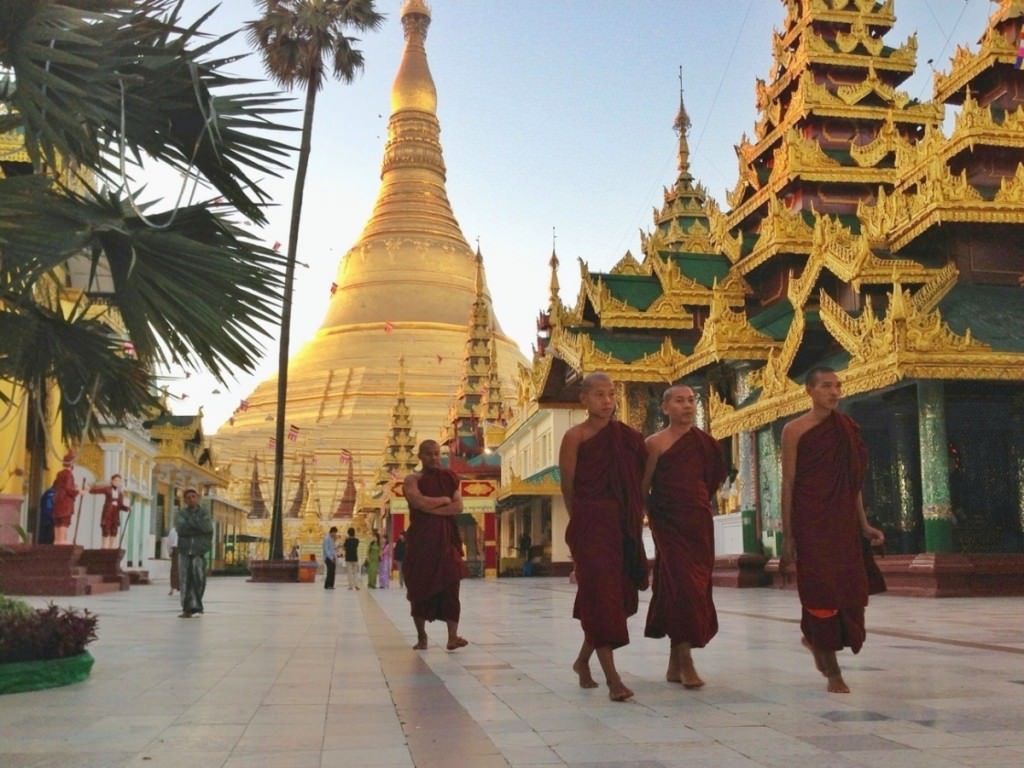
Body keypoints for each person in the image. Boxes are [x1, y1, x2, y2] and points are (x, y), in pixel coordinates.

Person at [781, 366, 886, 693]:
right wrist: (788, 536)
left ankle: (817, 640)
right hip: (811, 524)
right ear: (810, 391)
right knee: (820, 592)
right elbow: (789, 483)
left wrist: (864, 524)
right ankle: (832, 672)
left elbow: (852, 484)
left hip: (843, 525)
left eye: (838, 386)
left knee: (851, 593)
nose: (834, 392)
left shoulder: (847, 429)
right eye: (826, 386)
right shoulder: (794, 430)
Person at [558, 371, 647, 702]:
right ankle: (613, 679)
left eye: (611, 394)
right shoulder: (575, 436)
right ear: (583, 399)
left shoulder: (627, 437)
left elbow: (639, 480)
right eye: (599, 394)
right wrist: (579, 521)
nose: (607, 401)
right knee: (602, 595)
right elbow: (568, 486)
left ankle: (583, 661)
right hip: (590, 524)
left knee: (613, 600)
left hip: (622, 526)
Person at [642, 385, 727, 690]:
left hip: (698, 524)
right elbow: (643, 487)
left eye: (691, 401)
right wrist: (652, 520)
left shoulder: (706, 444)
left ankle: (674, 661)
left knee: (689, 587)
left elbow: (712, 480)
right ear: (665, 408)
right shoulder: (655, 444)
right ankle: (687, 660)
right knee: (684, 586)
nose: (687, 406)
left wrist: (696, 503)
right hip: (667, 524)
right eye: (679, 401)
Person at [402, 439, 468, 651]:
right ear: (419, 456)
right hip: (421, 545)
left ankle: (452, 637)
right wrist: (443, 500)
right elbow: (417, 501)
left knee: (451, 587)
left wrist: (433, 508)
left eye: (437, 454)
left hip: (446, 543)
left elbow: (458, 506)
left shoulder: (448, 478)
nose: (434, 458)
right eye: (429, 454)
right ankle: (422, 637)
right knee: (419, 590)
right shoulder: (412, 479)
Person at [175, 488, 213, 618]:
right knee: (185, 580)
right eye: (188, 497)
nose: (191, 499)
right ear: (185, 500)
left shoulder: (205, 512)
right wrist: (197, 526)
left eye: (194, 496)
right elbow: (181, 529)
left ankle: (197, 605)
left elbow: (207, 528)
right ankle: (186, 609)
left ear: (198, 498)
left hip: (199, 551)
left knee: (199, 578)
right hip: (184, 550)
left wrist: (191, 525)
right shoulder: (181, 514)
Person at [89, 473, 130, 549]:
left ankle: (111, 547)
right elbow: (98, 490)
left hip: (115, 514)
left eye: (119, 481)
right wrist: (89, 489)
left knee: (114, 530)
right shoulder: (107, 489)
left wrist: (127, 508)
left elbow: (120, 505)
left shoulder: (120, 494)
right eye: (116, 480)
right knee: (106, 530)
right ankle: (104, 547)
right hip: (108, 513)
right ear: (112, 481)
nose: (117, 482)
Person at [51, 452, 80, 545]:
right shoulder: (68, 474)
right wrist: (78, 491)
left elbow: (55, 486)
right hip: (65, 502)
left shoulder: (59, 474)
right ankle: (62, 540)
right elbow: (68, 489)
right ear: (72, 464)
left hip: (57, 500)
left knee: (58, 522)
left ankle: (57, 540)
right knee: (64, 521)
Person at [322, 526, 338, 590]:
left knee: (332, 571)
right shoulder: (326, 538)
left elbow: (333, 549)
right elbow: (326, 549)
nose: (335, 534)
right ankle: (328, 585)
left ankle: (330, 585)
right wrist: (331, 558)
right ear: (332, 532)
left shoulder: (332, 539)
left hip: (332, 557)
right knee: (330, 571)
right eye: (335, 533)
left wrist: (334, 557)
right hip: (328, 558)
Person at [166, 526, 179, 595]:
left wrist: (170, 552)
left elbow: (169, 543)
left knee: (174, 569)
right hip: (182, 549)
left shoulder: (173, 530)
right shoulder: (187, 529)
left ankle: (172, 588)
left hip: (176, 549)